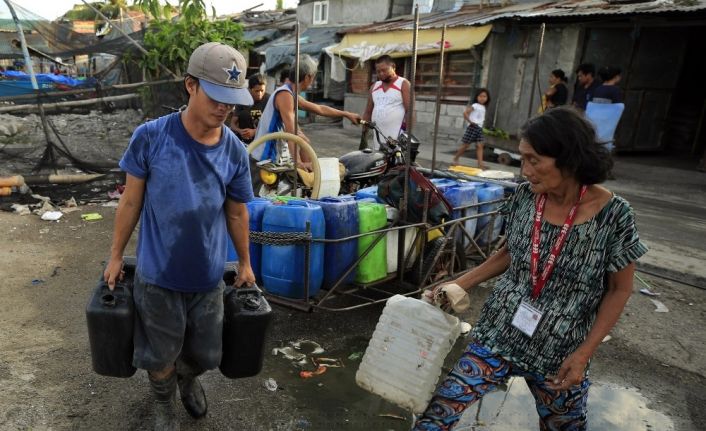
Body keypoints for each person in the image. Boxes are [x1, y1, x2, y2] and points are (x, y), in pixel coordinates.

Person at [414, 107, 648, 431]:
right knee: (436, 417)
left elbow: (619, 289)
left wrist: (583, 354)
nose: (525, 170)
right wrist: (459, 283)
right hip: (499, 334)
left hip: (560, 352)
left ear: (569, 158)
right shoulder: (526, 197)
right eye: (522, 159)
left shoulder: (614, 215)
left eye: (534, 160)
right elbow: (509, 253)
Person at [103, 42, 256, 430]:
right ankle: (162, 404)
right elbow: (131, 203)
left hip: (207, 277)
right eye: (217, 97)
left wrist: (245, 262)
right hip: (158, 275)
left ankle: (188, 378)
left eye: (232, 101)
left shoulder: (235, 151)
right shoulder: (151, 137)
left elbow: (237, 211)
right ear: (190, 85)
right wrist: (116, 255)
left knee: (206, 353)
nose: (225, 108)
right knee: (158, 354)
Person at [251, 54, 361, 171]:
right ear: (308, 77)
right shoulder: (285, 95)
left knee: (304, 141)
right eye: (313, 77)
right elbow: (291, 134)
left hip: (273, 156)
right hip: (264, 158)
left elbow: (319, 109)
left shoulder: (290, 92)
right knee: (301, 142)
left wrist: (347, 114)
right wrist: (298, 162)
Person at [362, 55, 412, 150]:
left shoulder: (403, 84)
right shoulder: (374, 86)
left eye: (384, 70)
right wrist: (364, 133)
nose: (381, 73)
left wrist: (407, 135)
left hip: (396, 137)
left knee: (395, 162)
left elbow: (410, 111)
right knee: (379, 160)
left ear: (393, 67)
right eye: (378, 71)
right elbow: (368, 111)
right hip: (378, 136)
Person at [452, 88, 490, 169]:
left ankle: (480, 164)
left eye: (484, 96)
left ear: (487, 98)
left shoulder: (483, 107)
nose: (482, 98)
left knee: (480, 145)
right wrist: (470, 121)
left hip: (479, 128)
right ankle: (455, 159)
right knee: (466, 145)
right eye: (480, 96)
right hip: (473, 127)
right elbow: (465, 113)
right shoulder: (475, 105)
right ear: (477, 97)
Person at [230, 74, 269, 145]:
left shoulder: (269, 100)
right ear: (250, 89)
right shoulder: (242, 100)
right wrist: (240, 131)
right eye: (256, 91)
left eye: (262, 90)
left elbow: (272, 125)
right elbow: (232, 124)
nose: (260, 94)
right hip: (244, 141)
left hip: (263, 140)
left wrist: (254, 132)